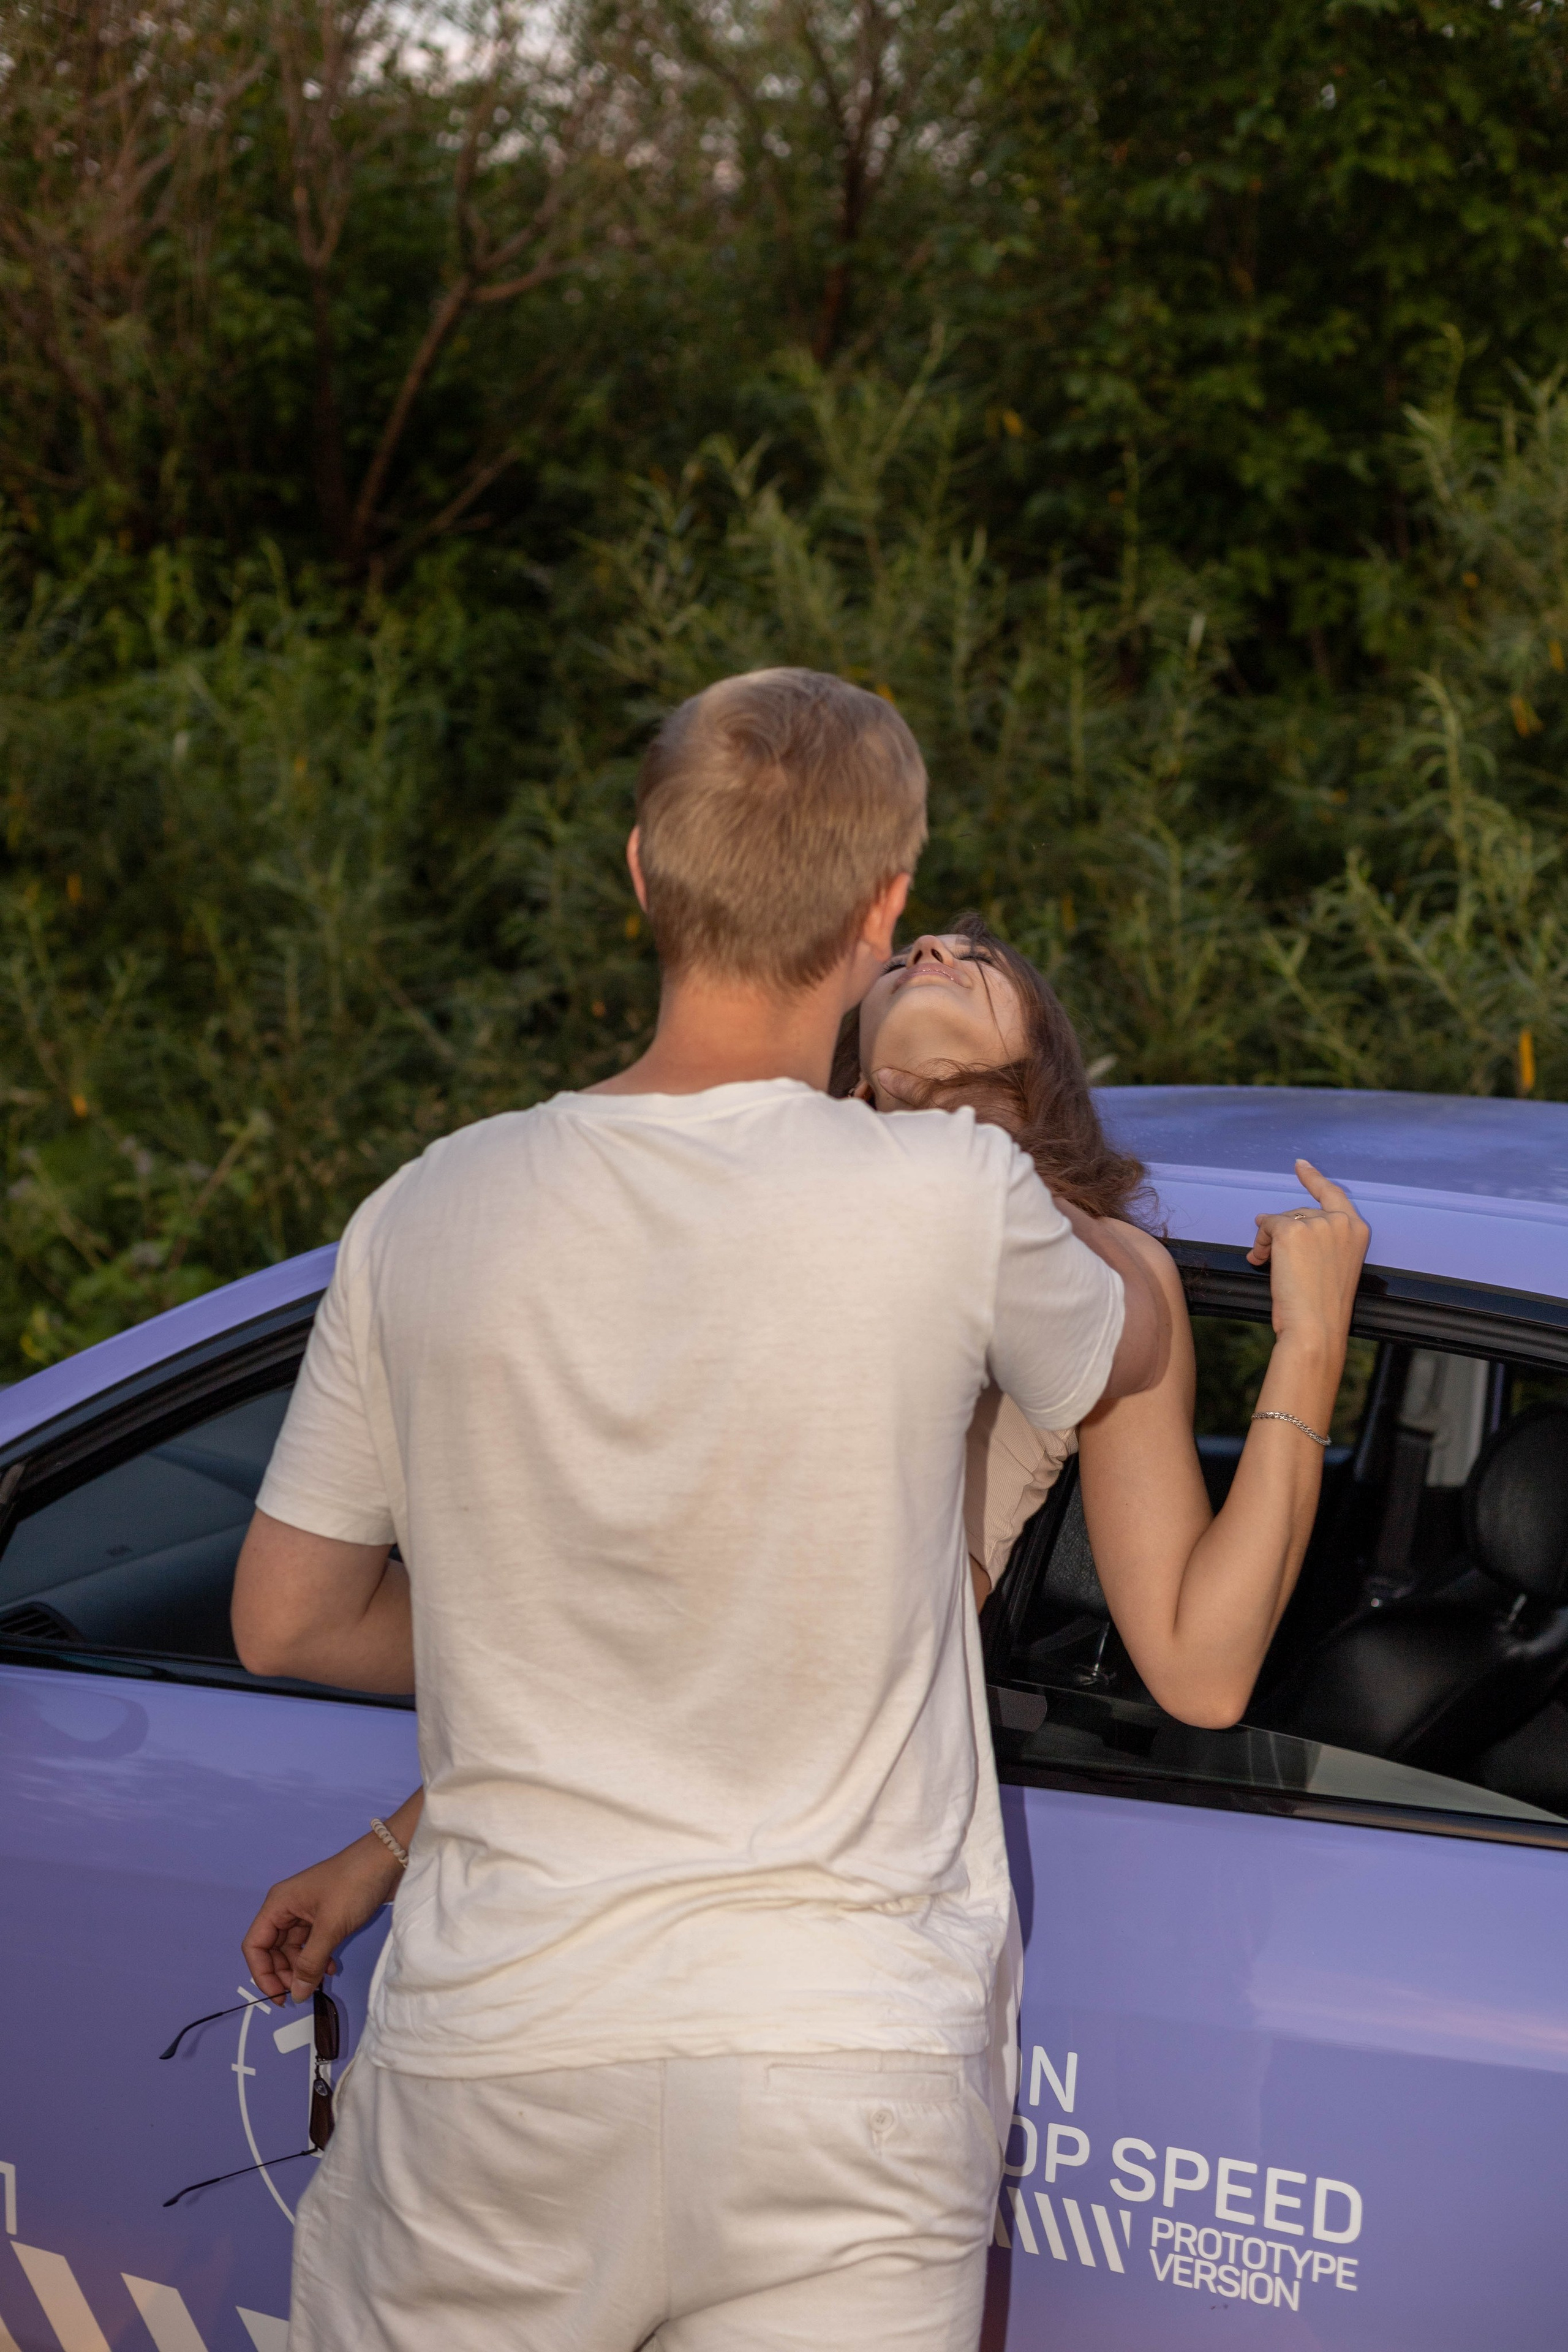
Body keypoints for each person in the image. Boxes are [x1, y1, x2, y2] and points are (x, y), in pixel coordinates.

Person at [229, 666, 1172, 2352]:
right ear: (884, 910)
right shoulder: (954, 1201)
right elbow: (1133, 1342)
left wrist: (537, 1644)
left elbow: (285, 1617)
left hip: (497, 2062)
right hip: (850, 2075)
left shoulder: (424, 1212)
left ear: (644, 874)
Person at [244, 926, 1368, 2035]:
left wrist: (1311, 1348)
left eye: (983, 959)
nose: (933, 944)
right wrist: (383, 1854)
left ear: (1047, 1060)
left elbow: (1202, 1669)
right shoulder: (744, 1192)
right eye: (905, 953)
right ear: (850, 1048)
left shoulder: (1105, 1272)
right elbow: (640, 1627)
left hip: (794, 1909)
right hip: (580, 1902)